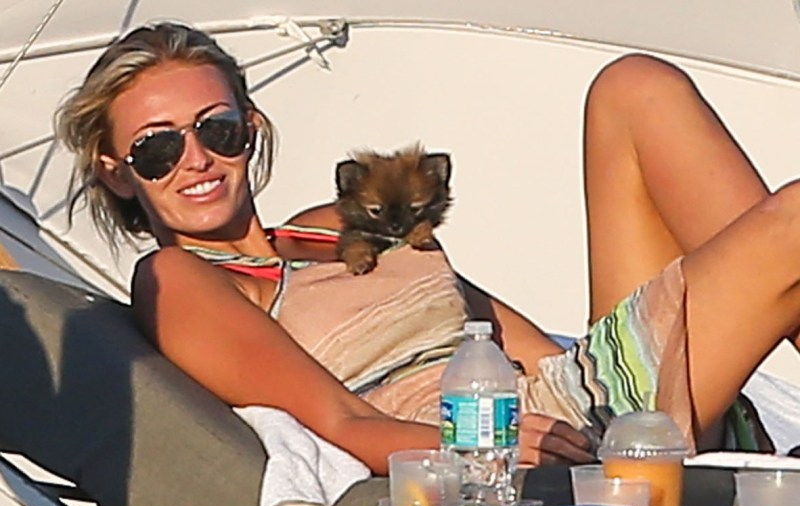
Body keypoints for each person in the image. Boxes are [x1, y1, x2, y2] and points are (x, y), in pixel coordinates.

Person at [56, 22, 779, 475]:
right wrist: (484, 446)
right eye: (156, 149)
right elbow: (342, 422)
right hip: (499, 444)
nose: (196, 160)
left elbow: (517, 344)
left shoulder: (336, 222)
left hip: (567, 406)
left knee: (634, 87)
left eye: (216, 129)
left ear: (251, 127)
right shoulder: (179, 278)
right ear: (117, 173)